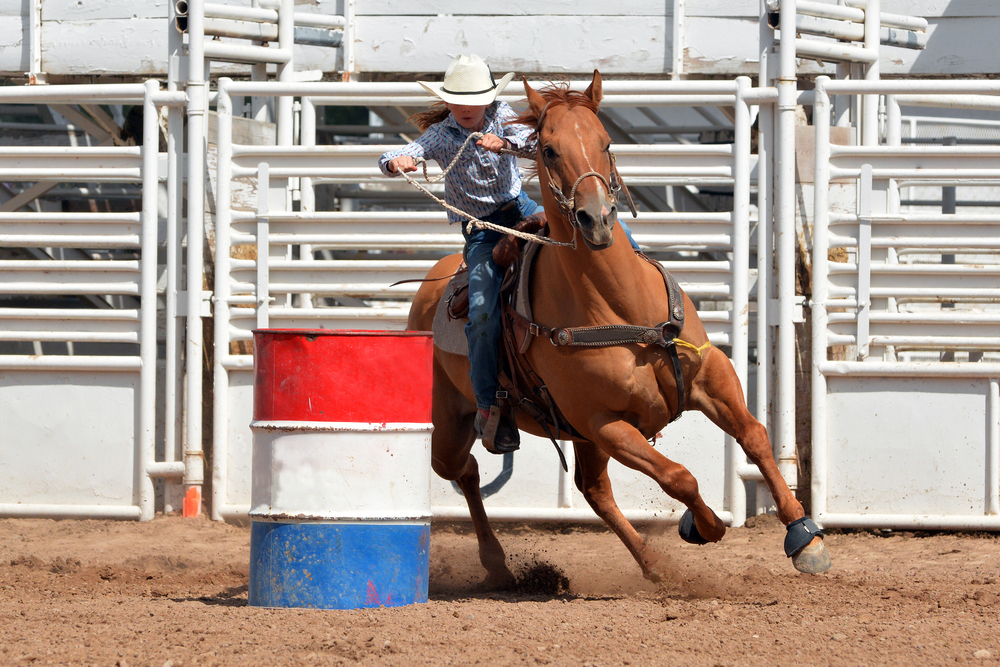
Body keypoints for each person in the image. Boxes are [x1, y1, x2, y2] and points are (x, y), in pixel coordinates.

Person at [379, 54, 641, 454]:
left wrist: (505, 142)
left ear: (488, 99)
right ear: (448, 102)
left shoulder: (502, 116)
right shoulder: (441, 135)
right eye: (458, 100)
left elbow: (541, 142)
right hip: (483, 231)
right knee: (482, 310)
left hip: (524, 210)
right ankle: (487, 405)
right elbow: (401, 153)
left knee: (618, 240)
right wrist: (398, 161)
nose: (466, 108)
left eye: (475, 99)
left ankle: (644, 307)